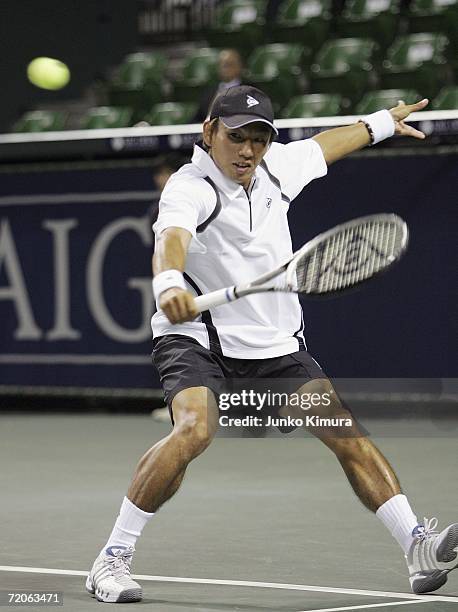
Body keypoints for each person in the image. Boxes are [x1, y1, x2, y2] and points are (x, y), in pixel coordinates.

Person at [86, 85, 458, 603]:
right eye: (237, 137)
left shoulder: (277, 168)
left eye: (259, 140)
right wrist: (169, 284)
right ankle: (111, 559)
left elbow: (327, 144)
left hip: (274, 344)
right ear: (209, 132)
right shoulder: (188, 188)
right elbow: (171, 239)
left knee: (345, 432)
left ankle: (415, 544)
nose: (248, 151)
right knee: (195, 430)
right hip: (198, 339)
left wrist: (379, 123)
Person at [194, 48, 245, 122]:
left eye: (229, 64)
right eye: (222, 65)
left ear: (239, 66)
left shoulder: (251, 90)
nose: (225, 68)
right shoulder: (210, 92)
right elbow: (197, 118)